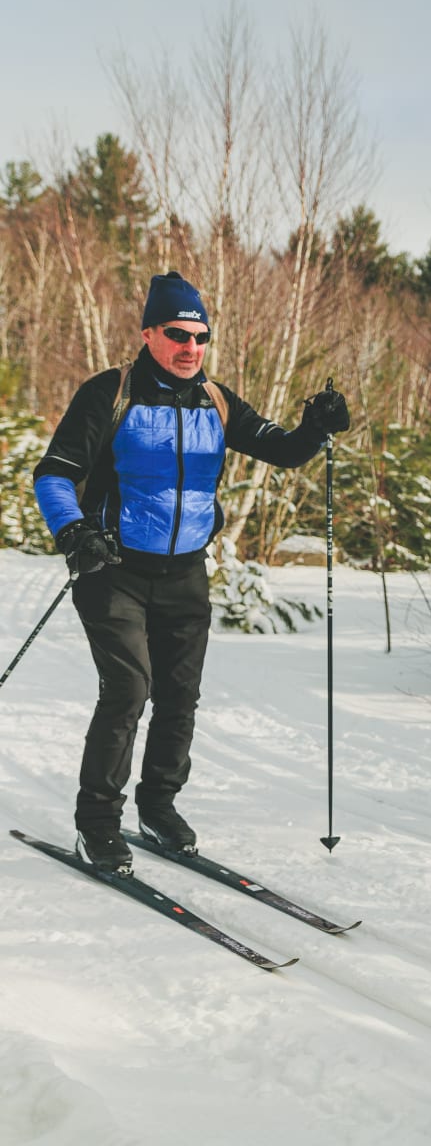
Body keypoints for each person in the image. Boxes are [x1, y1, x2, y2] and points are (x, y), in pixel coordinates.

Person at [33, 271, 350, 875]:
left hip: (184, 573)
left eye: (201, 336)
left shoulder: (217, 400)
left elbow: (281, 449)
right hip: (114, 569)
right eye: (178, 334)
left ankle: (157, 806)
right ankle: (98, 824)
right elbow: (54, 472)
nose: (191, 347)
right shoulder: (110, 393)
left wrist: (316, 427)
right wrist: (74, 533)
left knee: (179, 697)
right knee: (129, 691)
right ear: (149, 332)